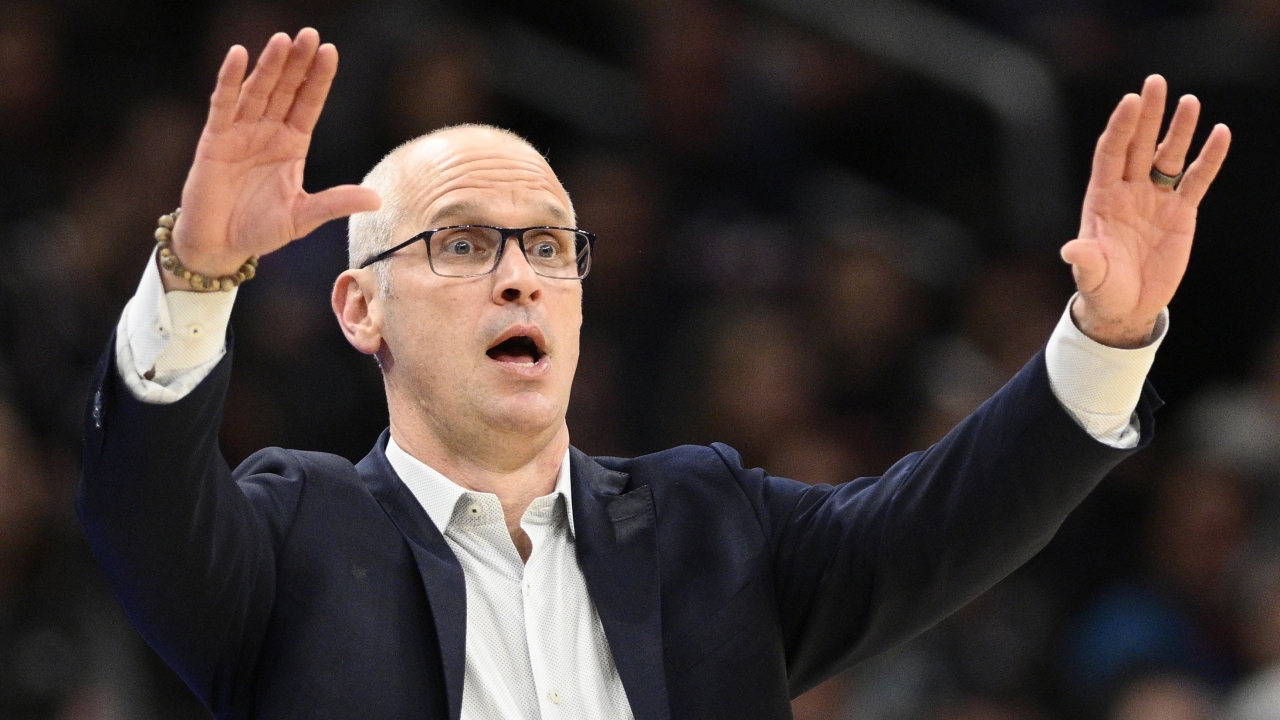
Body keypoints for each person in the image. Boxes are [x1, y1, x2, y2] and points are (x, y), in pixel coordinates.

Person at [77, 28, 1230, 720]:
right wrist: (198, 276)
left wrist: (1104, 333)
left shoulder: (707, 526)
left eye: (548, 248)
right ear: (358, 307)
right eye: (463, 244)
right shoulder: (293, 534)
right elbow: (139, 501)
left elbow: (946, 521)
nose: (519, 277)